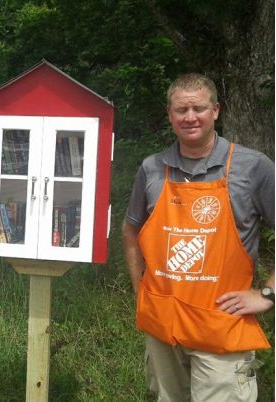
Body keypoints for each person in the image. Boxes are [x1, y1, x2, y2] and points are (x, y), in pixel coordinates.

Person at [122, 73, 274, 401]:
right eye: (181, 109)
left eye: (199, 108)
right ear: (170, 115)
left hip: (221, 328)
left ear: (215, 110)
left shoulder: (252, 166)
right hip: (163, 330)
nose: (190, 117)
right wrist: (140, 290)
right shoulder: (152, 168)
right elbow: (131, 229)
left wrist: (268, 294)